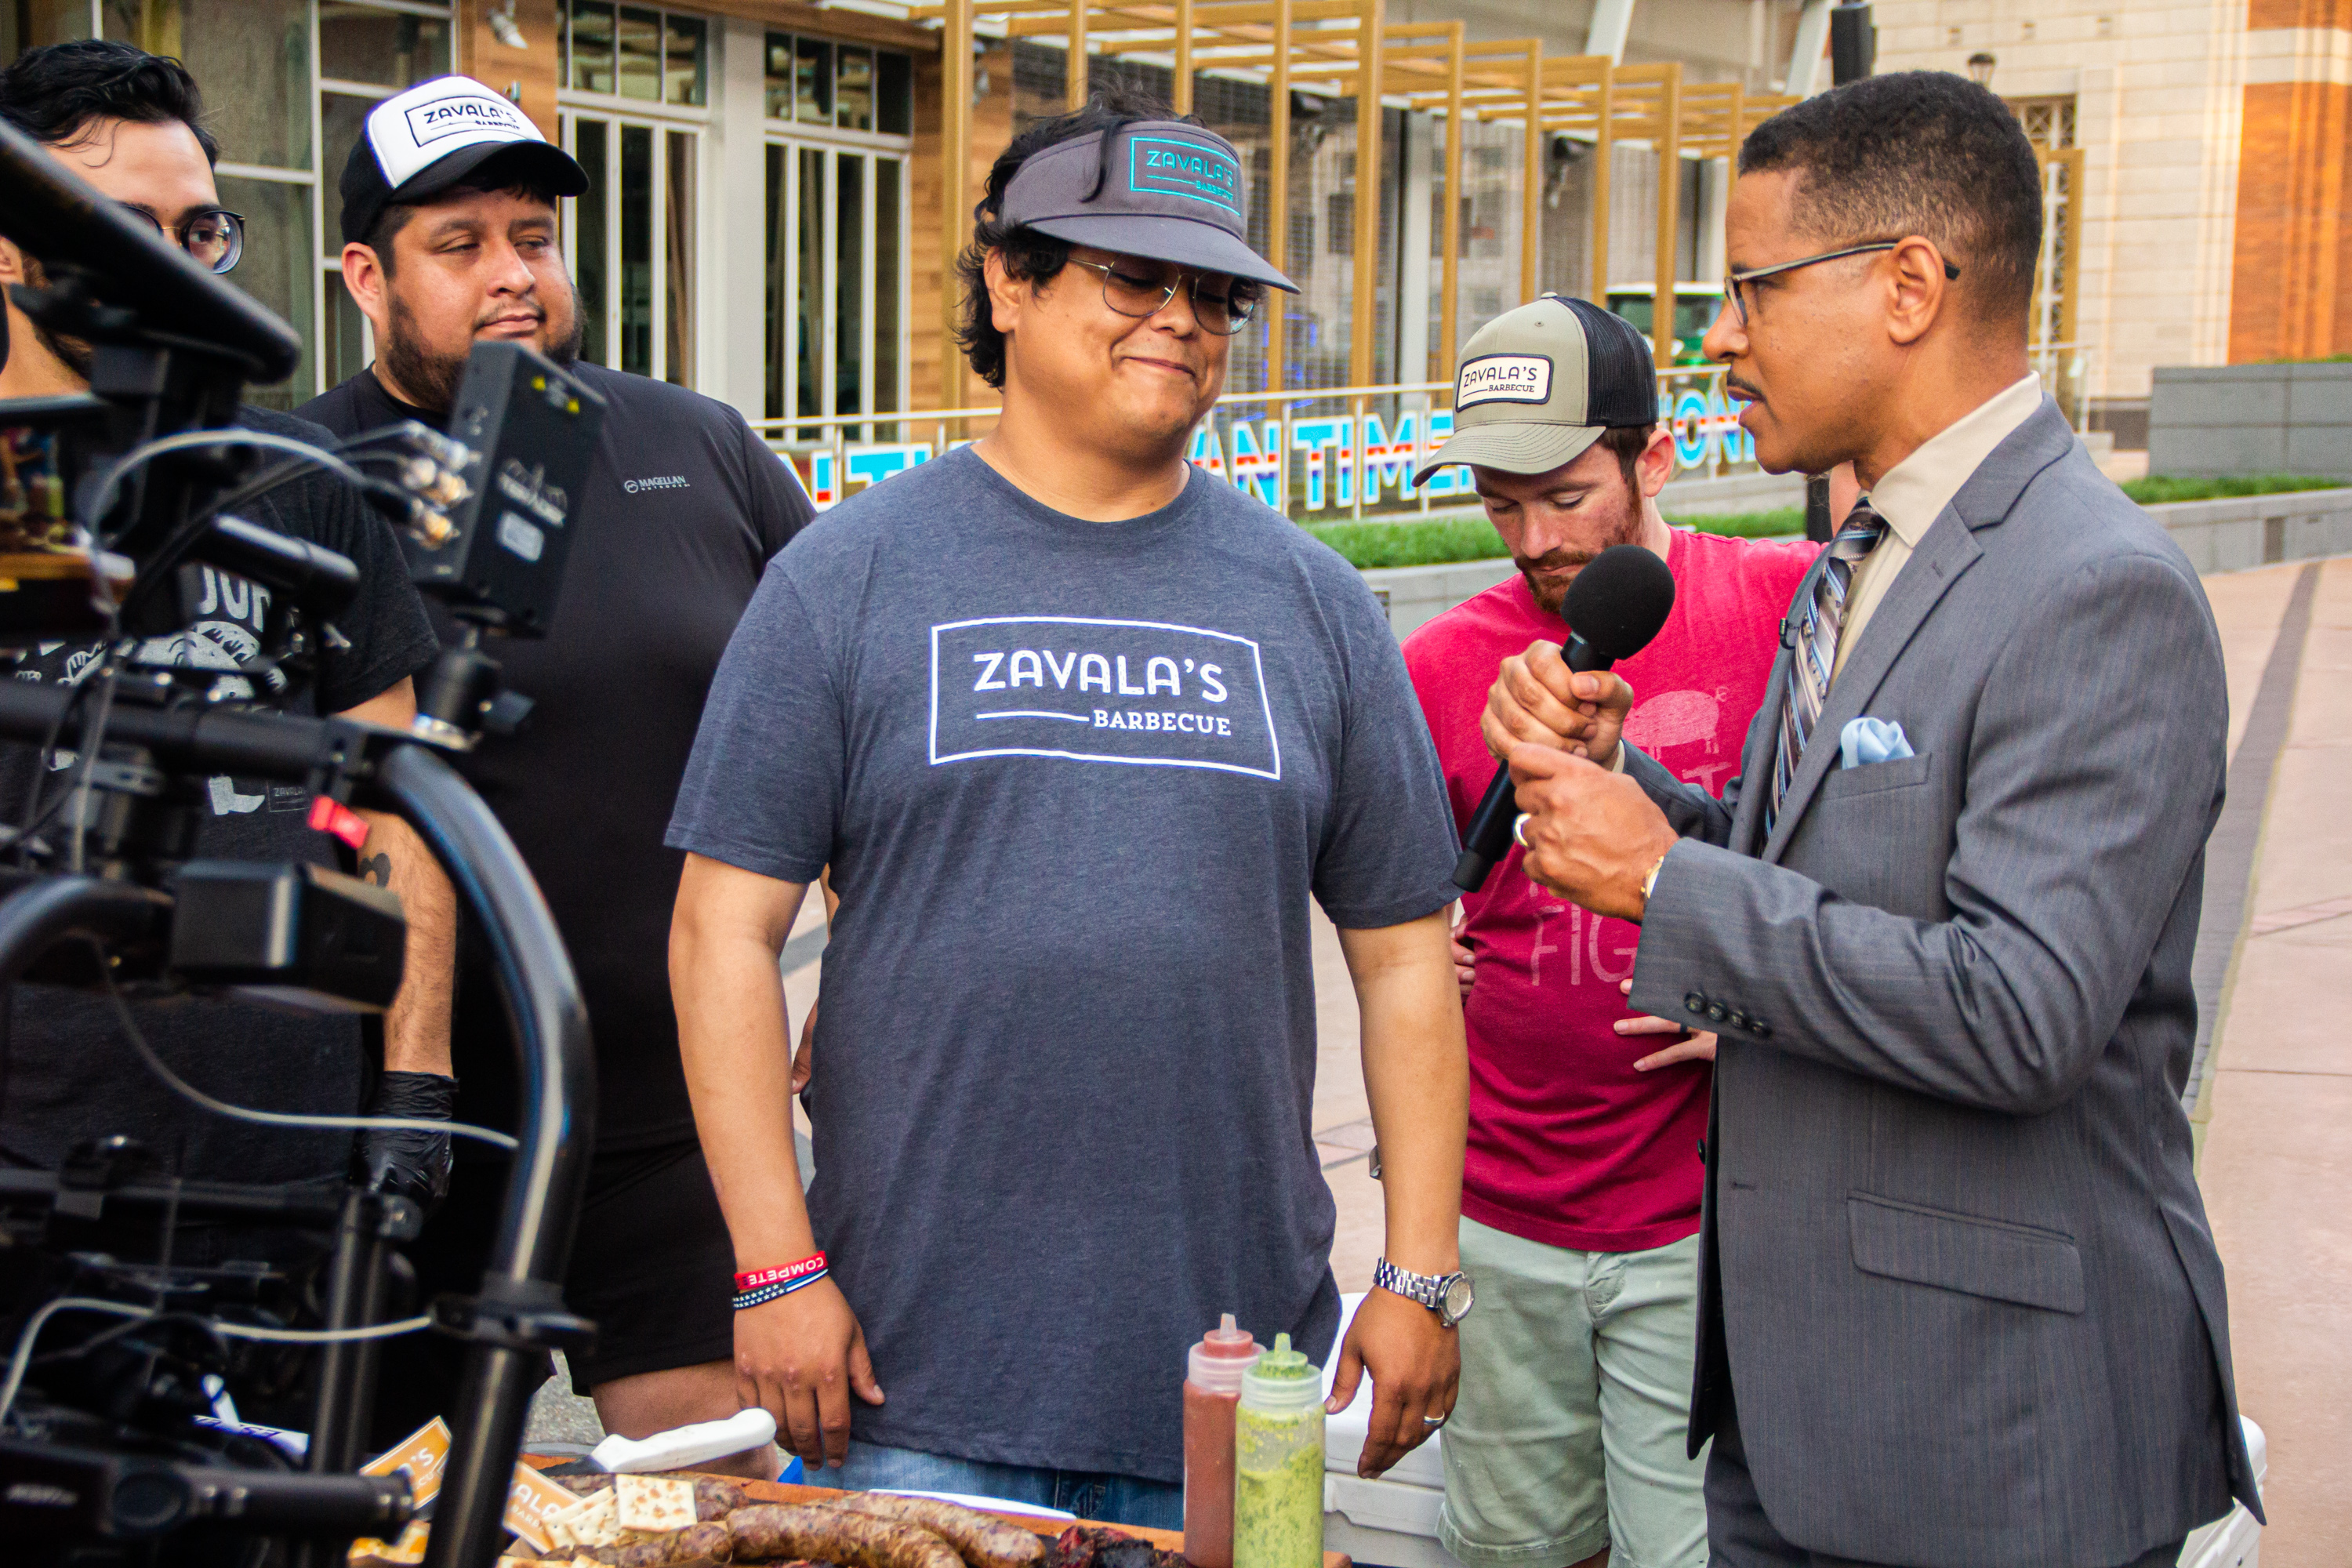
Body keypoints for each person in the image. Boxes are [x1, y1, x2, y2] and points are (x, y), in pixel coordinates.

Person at [1483, 72, 2261, 1567]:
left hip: (1983, 1433)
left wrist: (1663, 891)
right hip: (1799, 1410)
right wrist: (1633, 786)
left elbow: (2023, 1009)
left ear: (1908, 284)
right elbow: (1834, 872)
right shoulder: (1870, 548)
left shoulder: (2096, 586)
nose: (1717, 337)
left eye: (1752, 288)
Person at [665, 91, 1469, 1526]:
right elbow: (722, 936)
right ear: (1008, 280)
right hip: (912, 1383)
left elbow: (1405, 951)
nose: (1181, 317)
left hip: (1233, 1377)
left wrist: (1415, 1273)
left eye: (1213, 291)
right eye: (1132, 275)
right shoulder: (844, 578)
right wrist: (776, 1268)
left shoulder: (1314, 602)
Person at [296, 74, 815, 1477]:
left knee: (723, 1503)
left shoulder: (691, 443)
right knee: (383, 1509)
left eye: (533, 235)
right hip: (404, 1129)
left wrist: (868, 959)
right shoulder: (296, 480)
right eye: (458, 246)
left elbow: (848, 717)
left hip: (670, 1115)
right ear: (367, 274)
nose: (513, 276)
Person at [0, 42, 453, 1223]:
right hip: (27, 1175)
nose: (169, 265)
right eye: (117, 226)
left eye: (198, 231)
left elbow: (396, 798)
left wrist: (416, 1086)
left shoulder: (290, 478)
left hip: (286, 1165)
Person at [1399, 294, 1813, 1568]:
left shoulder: (1789, 608)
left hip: (1704, 1221)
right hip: (1498, 1213)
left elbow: (1855, 897)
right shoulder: (1438, 664)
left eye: (1568, 496)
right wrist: (1423, 958)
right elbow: (1393, 913)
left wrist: (1759, 1008)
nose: (1534, 540)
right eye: (1500, 502)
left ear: (1656, 454)